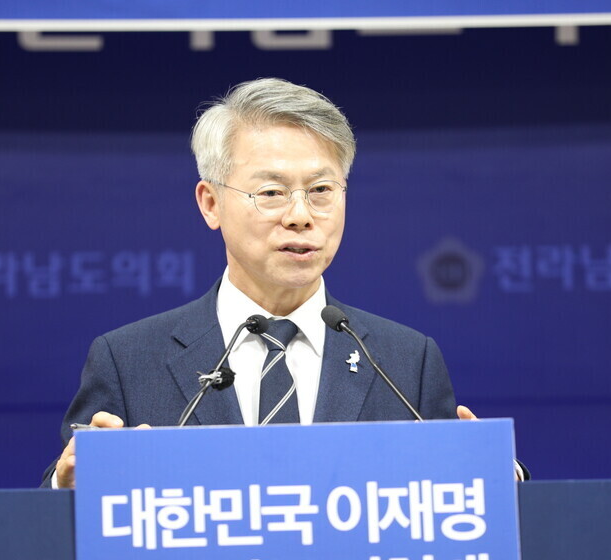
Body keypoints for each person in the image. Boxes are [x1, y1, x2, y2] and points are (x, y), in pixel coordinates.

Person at [44, 77, 524, 489]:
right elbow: (54, 522)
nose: (300, 215)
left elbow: (455, 504)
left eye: (321, 190)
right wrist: (68, 488)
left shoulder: (406, 363)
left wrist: (496, 481)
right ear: (210, 203)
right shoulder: (129, 360)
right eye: (271, 192)